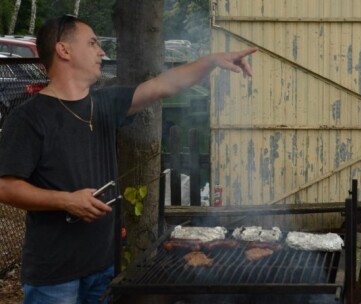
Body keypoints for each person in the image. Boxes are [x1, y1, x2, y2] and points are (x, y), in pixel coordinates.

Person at [0, 15, 256, 304]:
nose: (101, 51)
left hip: (102, 265)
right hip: (55, 275)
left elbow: (164, 85)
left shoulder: (104, 104)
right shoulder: (29, 117)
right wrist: (67, 200)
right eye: (93, 43)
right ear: (64, 50)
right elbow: (6, 187)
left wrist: (212, 61)